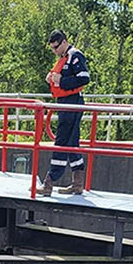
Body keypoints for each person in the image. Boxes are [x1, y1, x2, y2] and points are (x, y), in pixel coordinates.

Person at [38, 30, 91, 195]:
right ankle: (78, 183)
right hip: (65, 103)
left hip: (73, 103)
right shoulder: (64, 58)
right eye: (52, 48)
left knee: (62, 141)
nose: (55, 51)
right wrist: (52, 78)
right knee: (71, 142)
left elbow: (84, 78)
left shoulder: (75, 56)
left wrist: (62, 80)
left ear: (64, 42)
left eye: (56, 47)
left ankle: (49, 182)